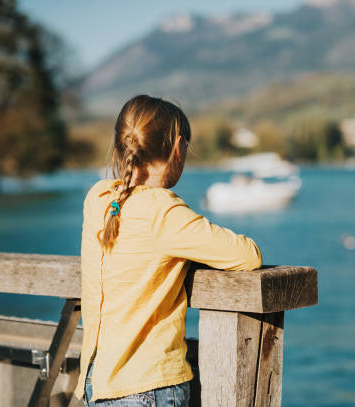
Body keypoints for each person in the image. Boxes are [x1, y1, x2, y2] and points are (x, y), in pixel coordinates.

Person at [73, 95, 263, 406]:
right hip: (149, 386)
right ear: (177, 149)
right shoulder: (164, 212)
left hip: (98, 384)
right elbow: (248, 255)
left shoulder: (98, 199)